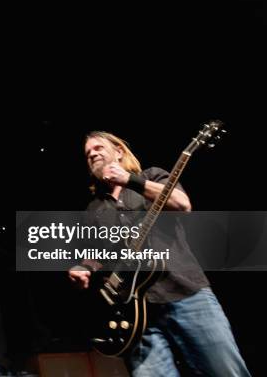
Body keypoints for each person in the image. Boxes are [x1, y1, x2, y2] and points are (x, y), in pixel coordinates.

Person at [68, 131, 249, 376]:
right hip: (135, 316)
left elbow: (182, 205)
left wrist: (130, 181)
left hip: (186, 294)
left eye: (99, 148)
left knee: (225, 372)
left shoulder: (152, 176)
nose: (93, 154)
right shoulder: (94, 207)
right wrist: (85, 269)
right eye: (89, 154)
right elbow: (99, 254)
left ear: (119, 152)